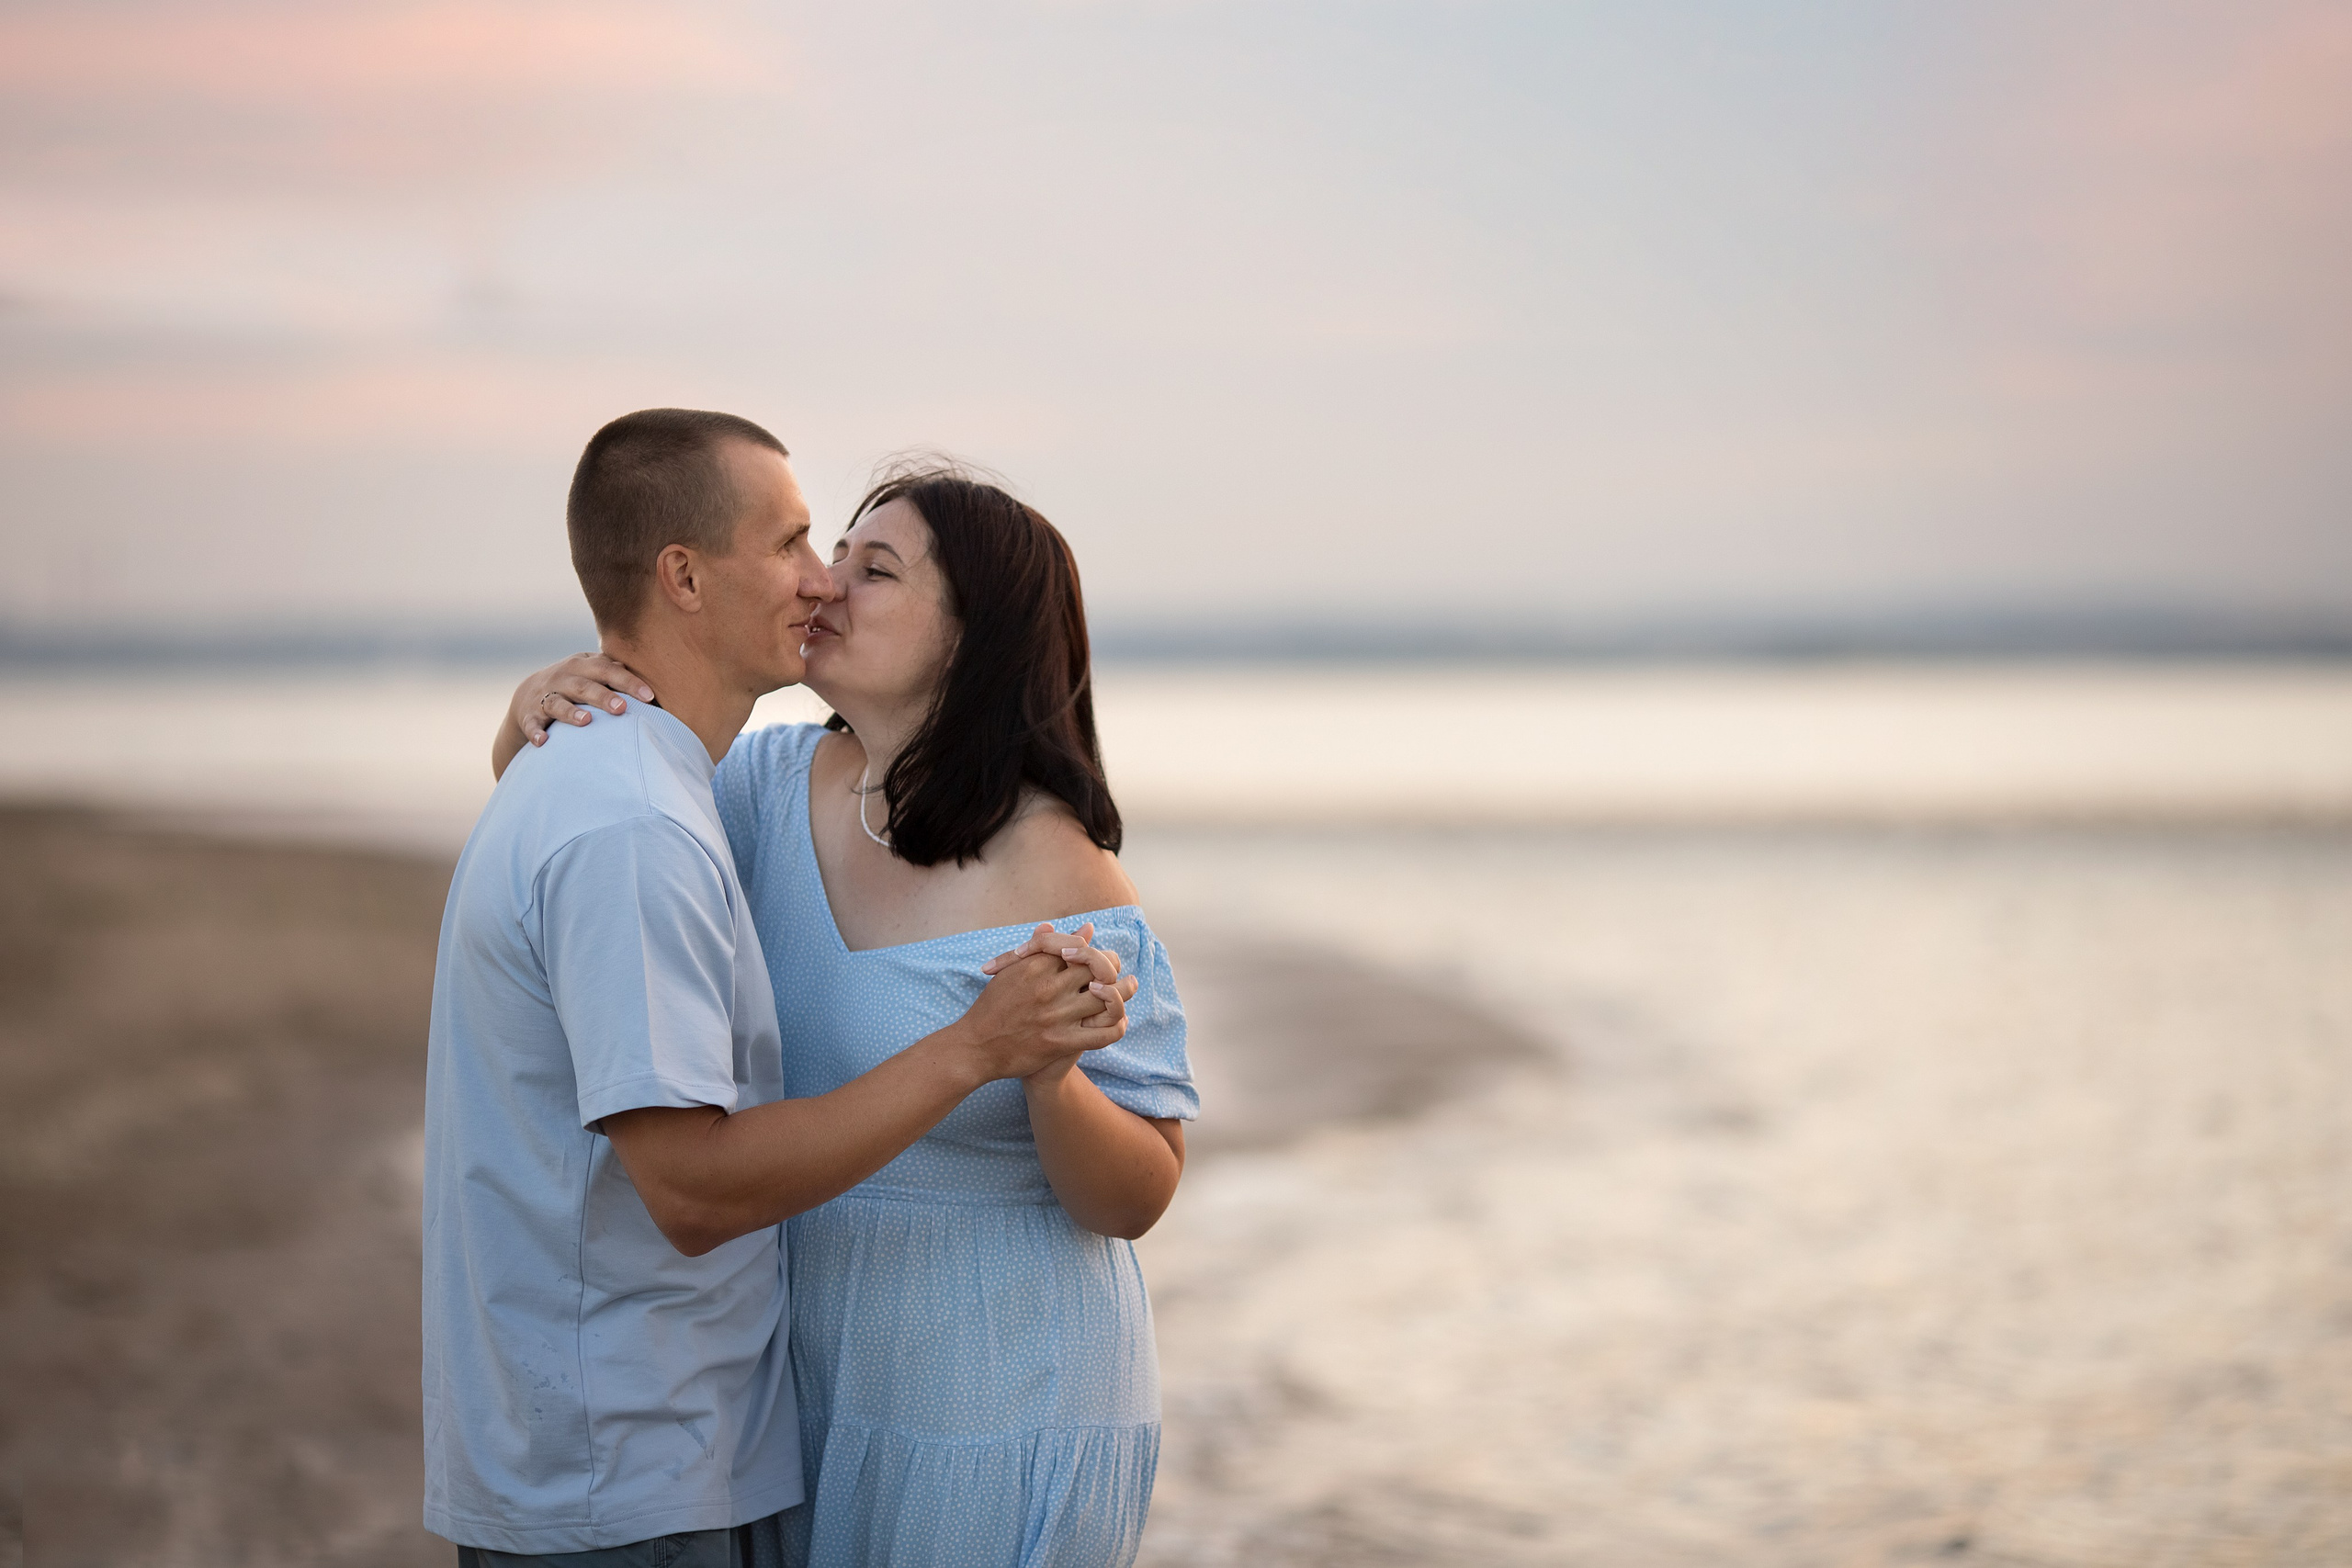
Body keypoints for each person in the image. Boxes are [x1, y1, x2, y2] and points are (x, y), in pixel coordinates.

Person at [425, 412, 1136, 1568]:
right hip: (708, 1432)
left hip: (983, 1396)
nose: (823, 582)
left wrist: (1045, 1072)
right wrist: (530, 716)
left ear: (973, 635)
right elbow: (598, 862)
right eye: (805, 546)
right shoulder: (721, 795)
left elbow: (1142, 1177)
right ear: (685, 576)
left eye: (868, 566)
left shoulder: (1062, 873)